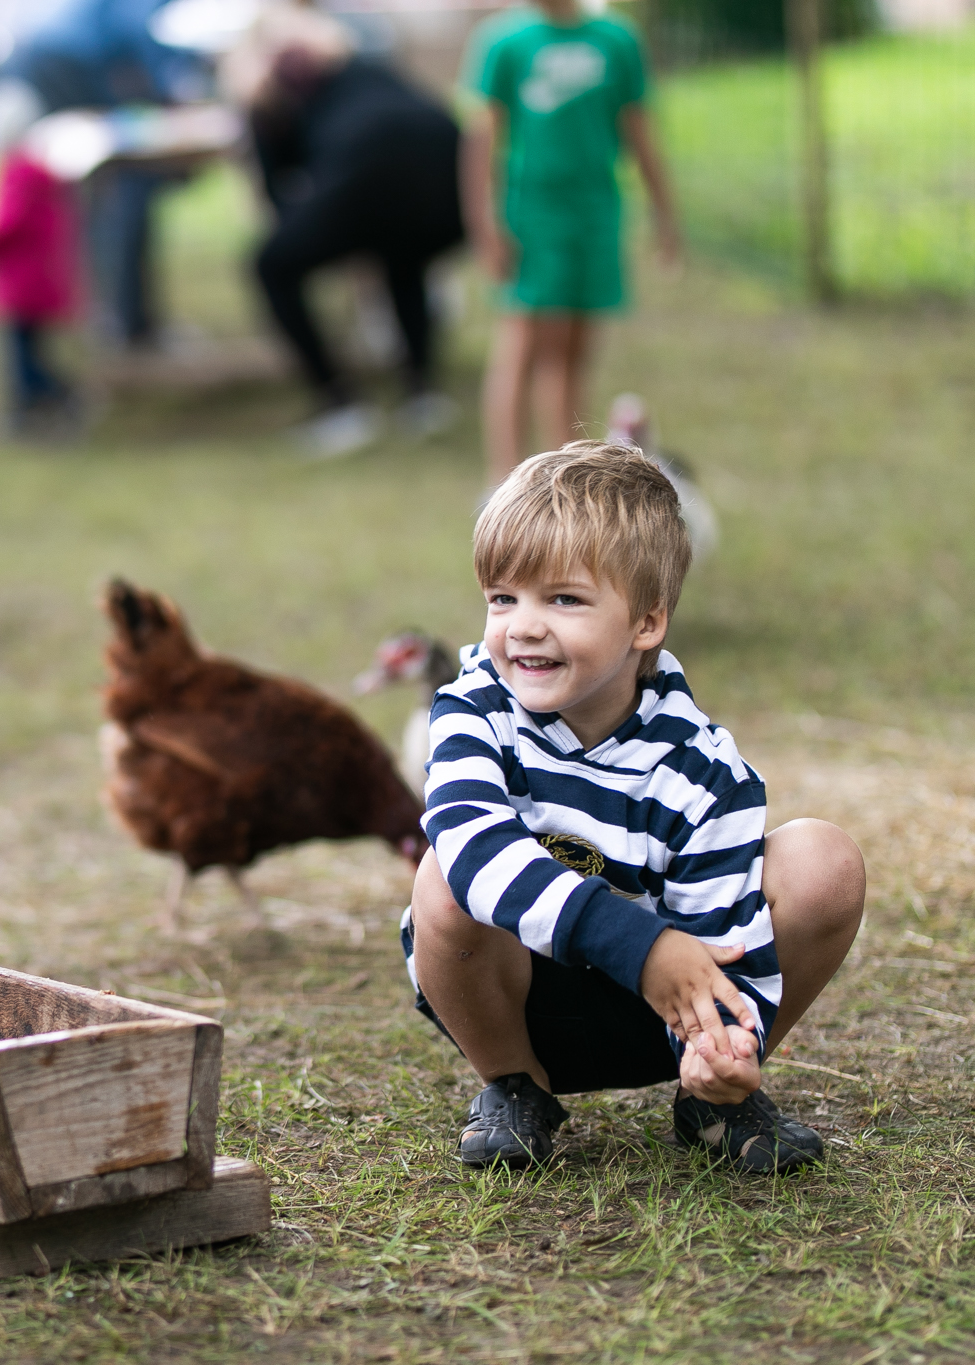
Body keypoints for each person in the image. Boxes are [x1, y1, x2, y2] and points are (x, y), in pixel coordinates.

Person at [403, 442, 864, 1173]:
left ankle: (715, 1100)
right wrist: (638, 944)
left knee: (823, 860)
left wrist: (721, 1044)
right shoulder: (471, 711)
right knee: (442, 875)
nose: (521, 625)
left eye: (563, 598)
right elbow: (473, 848)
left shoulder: (702, 767)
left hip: (666, 1007)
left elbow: (723, 927)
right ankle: (516, 1088)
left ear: (646, 623)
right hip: (515, 999)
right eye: (502, 596)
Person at [225, 3, 463, 459]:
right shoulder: (363, 65)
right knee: (403, 255)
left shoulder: (274, 92)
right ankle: (421, 394)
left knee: (271, 265)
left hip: (370, 171)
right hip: (447, 173)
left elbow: (279, 196)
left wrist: (256, 115)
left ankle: (340, 402)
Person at [460, 0, 680, 487]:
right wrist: (484, 223)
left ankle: (561, 485)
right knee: (526, 343)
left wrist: (664, 212)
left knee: (576, 350)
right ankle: (508, 485)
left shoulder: (617, 39)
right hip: (533, 216)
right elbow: (482, 140)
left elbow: (638, 129)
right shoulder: (503, 41)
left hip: (596, 214)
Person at [0, 0, 208, 350]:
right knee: (122, 189)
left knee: (102, 195)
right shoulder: (139, 14)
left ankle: (113, 315)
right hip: (63, 66)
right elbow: (144, 41)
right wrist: (171, 92)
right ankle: (125, 321)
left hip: (44, 65)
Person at [0, 80, 81, 438]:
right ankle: (40, 406)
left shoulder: (19, 172)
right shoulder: (36, 168)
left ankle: (41, 405)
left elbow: (5, 222)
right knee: (30, 352)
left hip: (22, 284)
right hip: (36, 281)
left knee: (22, 357)